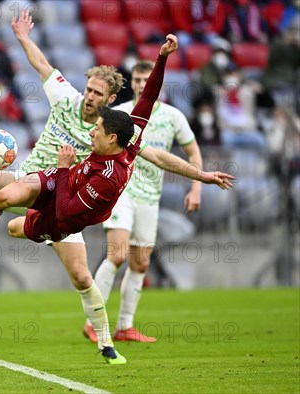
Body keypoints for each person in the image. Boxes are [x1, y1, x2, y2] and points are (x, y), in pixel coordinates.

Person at [0, 11, 232, 363]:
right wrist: (22, 37)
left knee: (80, 276)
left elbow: (155, 152)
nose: (89, 96)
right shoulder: (65, 97)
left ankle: (106, 342)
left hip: (63, 203)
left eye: (97, 93)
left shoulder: (115, 133)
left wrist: (200, 176)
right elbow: (42, 64)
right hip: (35, 181)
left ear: (109, 101)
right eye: (89, 88)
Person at [82, 59, 205, 344]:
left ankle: (125, 326)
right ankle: (93, 321)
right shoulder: (120, 114)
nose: (140, 85)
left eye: (145, 80)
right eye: (136, 80)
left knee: (139, 264)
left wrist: (196, 189)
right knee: (117, 254)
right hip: (121, 193)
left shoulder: (174, 117)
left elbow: (194, 154)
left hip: (151, 198)